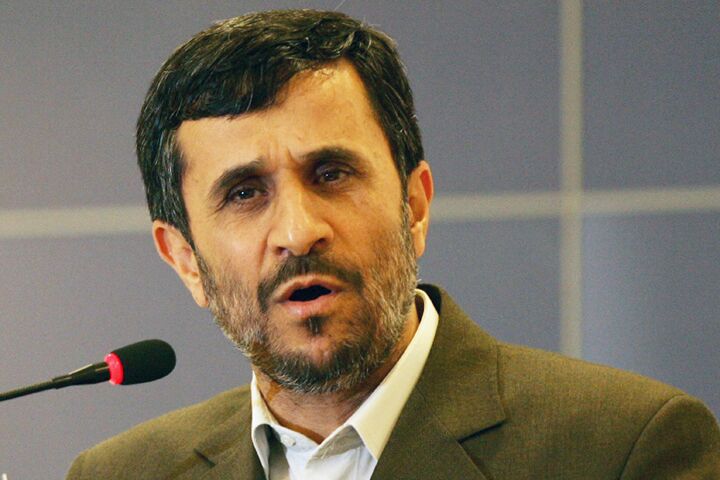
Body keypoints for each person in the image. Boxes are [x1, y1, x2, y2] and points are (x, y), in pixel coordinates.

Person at [67, 9, 720, 479]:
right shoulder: (122, 473)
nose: (298, 231)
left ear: (415, 205)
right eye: (244, 193)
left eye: (331, 174)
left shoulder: (624, 447)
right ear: (185, 260)